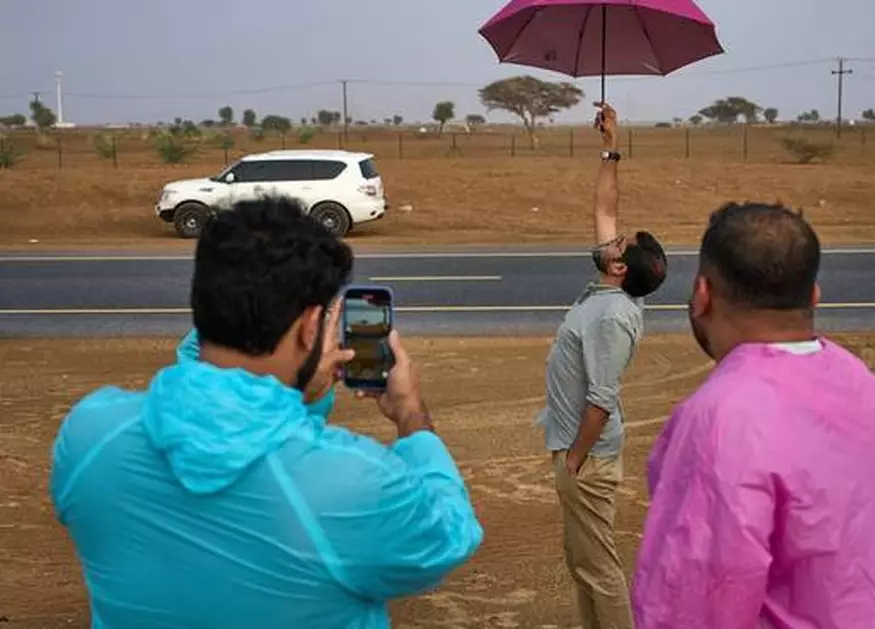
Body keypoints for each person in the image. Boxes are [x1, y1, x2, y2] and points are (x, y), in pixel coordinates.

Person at [50, 197, 483, 629]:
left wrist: (303, 398)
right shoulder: (354, 479)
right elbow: (447, 536)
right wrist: (411, 417)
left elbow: (240, 441)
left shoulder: (90, 436)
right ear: (312, 326)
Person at [631, 202, 875, 628]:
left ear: (702, 294)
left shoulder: (722, 419)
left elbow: (692, 601)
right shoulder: (873, 394)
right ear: (814, 295)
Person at [534, 102, 667, 629]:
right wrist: (611, 147)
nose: (610, 235)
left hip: (585, 459)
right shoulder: (611, 288)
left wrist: (574, 462)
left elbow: (602, 400)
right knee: (583, 564)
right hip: (576, 452)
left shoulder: (612, 316)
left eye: (618, 242)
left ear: (618, 267)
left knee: (600, 569)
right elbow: (605, 210)